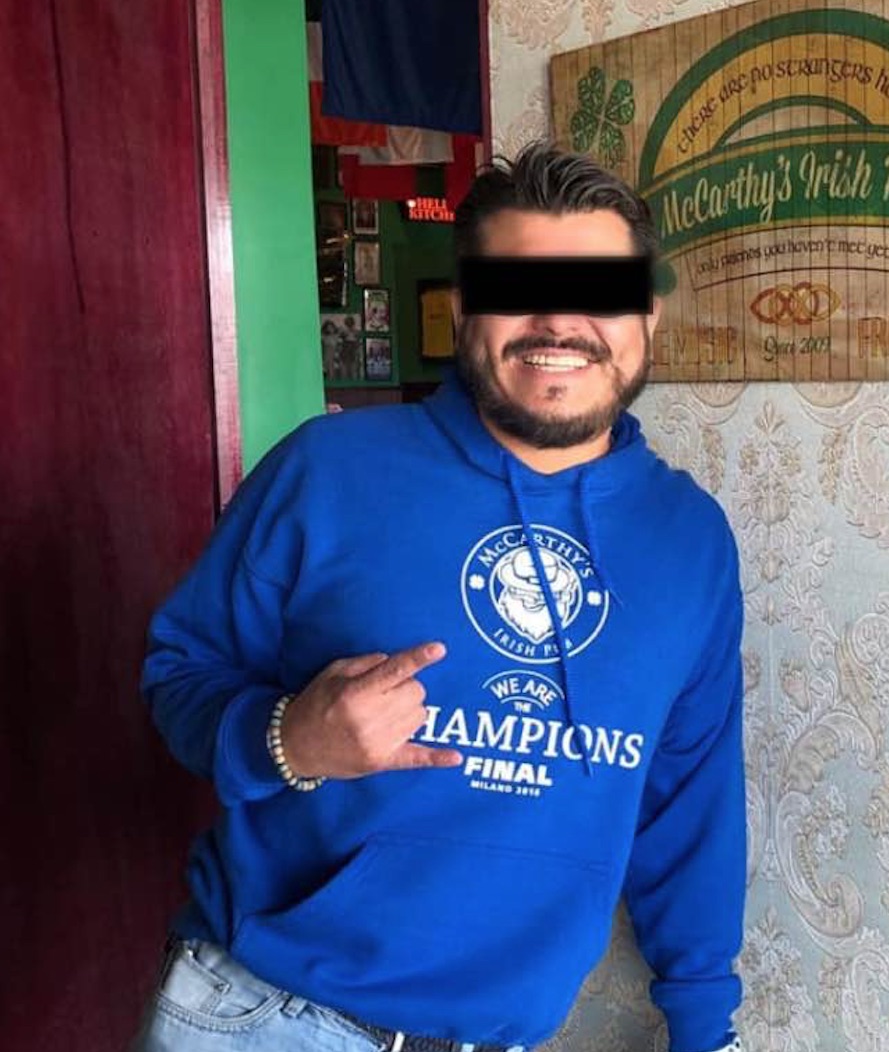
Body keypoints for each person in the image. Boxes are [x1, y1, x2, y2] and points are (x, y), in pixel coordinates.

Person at [132, 140, 746, 1052]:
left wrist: (704, 1027)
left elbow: (692, 797)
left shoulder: (688, 540)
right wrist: (289, 738)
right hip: (269, 1017)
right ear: (463, 308)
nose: (559, 322)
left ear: (646, 315)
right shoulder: (329, 471)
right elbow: (179, 676)